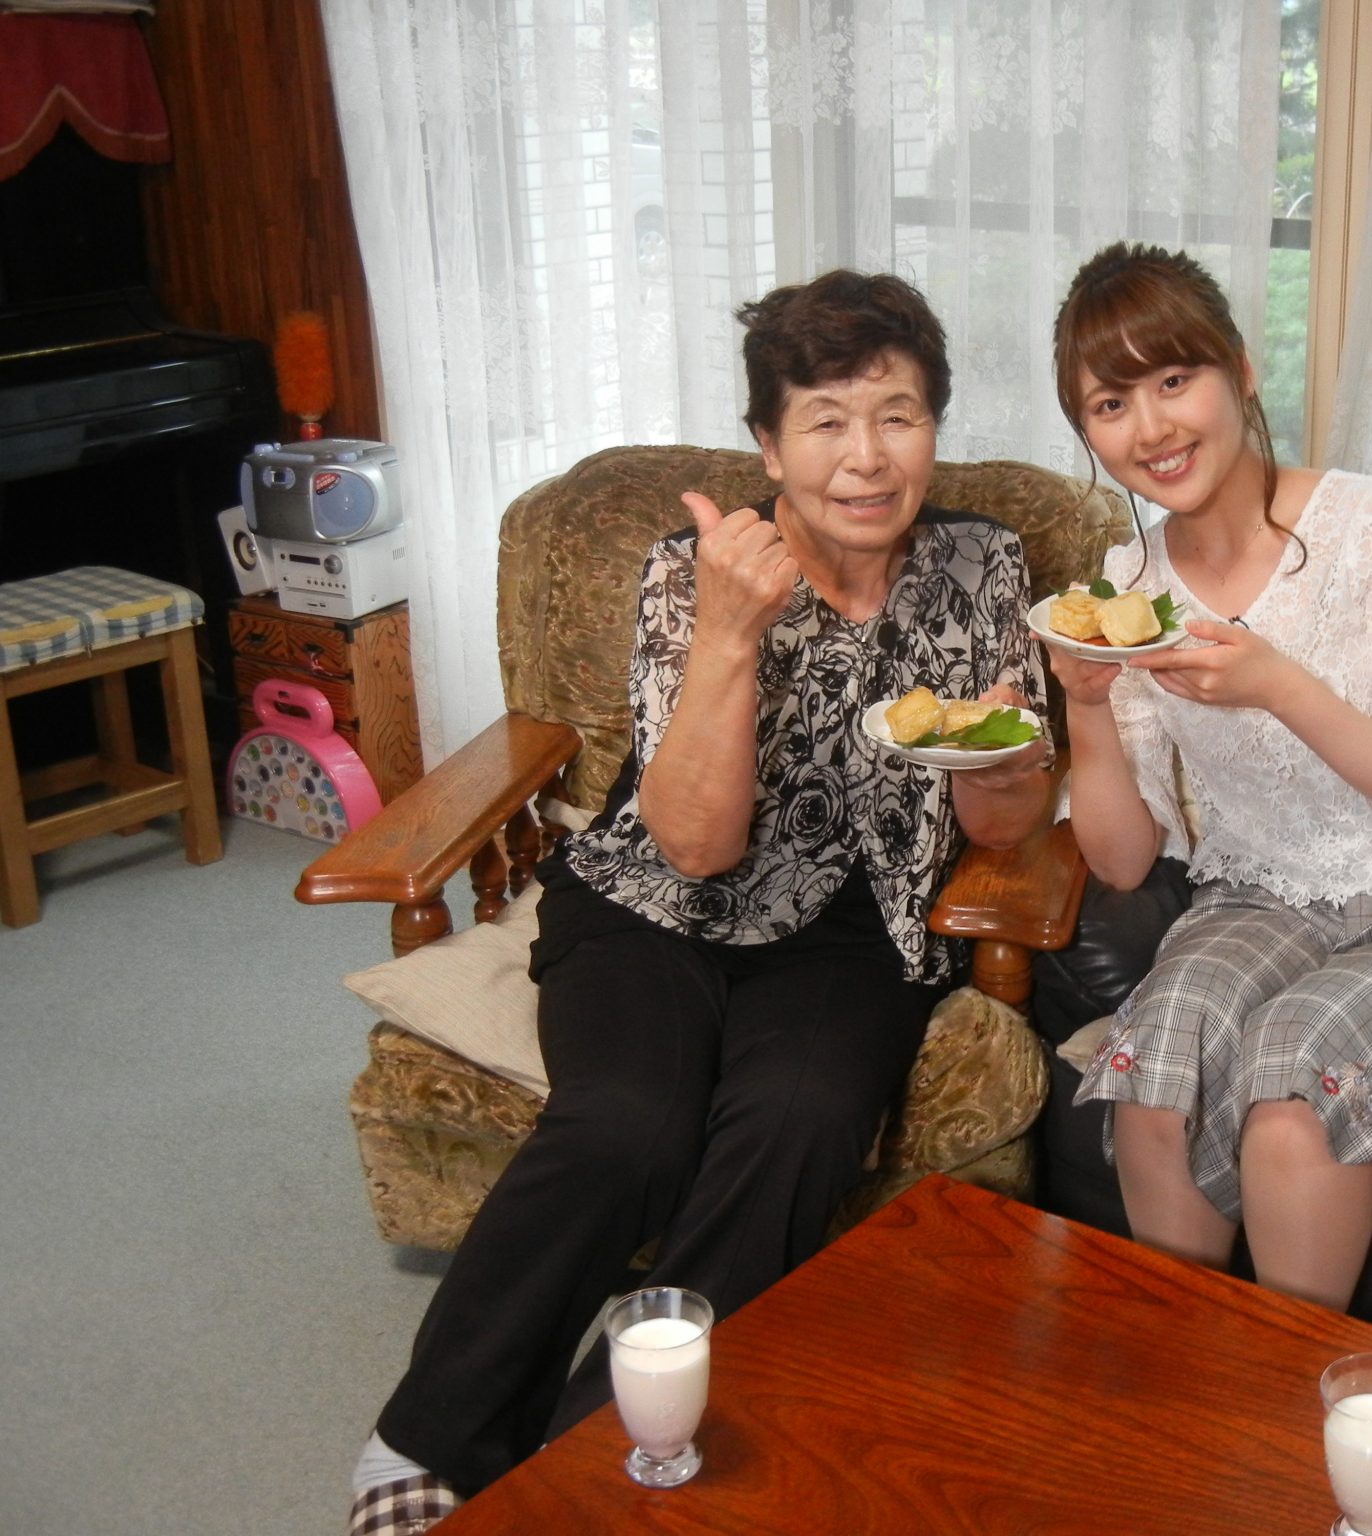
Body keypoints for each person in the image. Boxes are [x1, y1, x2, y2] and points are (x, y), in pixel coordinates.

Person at [348, 269, 1050, 1534]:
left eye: (896, 415)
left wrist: (1002, 760)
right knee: (630, 1122)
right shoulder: (696, 570)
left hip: (859, 926)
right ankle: (429, 1434)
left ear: (932, 429)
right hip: (653, 901)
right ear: (768, 446)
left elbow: (1001, 824)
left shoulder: (981, 564)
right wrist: (730, 635)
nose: (865, 456)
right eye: (824, 420)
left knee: (799, 1119)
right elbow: (695, 843)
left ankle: (603, 1450)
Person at [1044, 242, 1372, 1314]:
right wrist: (1086, 706)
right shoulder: (1126, 585)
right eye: (1110, 404)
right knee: (1153, 1078)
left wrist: (1280, 685)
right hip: (1264, 899)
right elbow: (1123, 859)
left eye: (1173, 379)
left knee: (1291, 1086)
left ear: (1240, 370)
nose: (1150, 428)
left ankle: (1289, 1404)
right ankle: (1185, 1387)